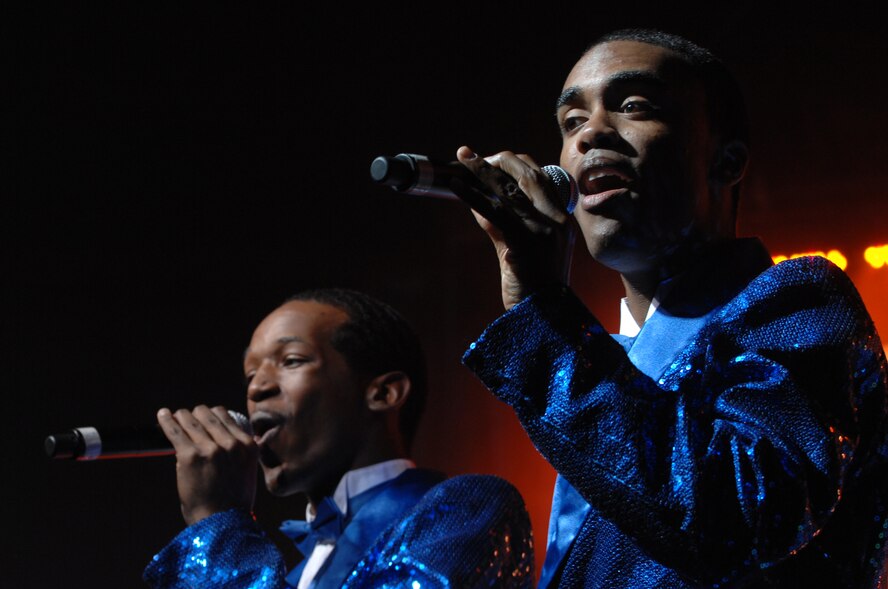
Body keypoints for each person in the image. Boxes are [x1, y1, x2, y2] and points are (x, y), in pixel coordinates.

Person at [449, 29, 888, 588]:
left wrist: (545, 317)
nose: (591, 133)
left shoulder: (801, 299)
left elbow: (738, 515)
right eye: (572, 121)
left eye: (634, 106)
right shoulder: (602, 356)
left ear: (727, 161)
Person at [142, 287, 535, 588]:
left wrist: (218, 524)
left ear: (384, 393)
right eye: (250, 375)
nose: (257, 388)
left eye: (291, 360)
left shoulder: (468, 511)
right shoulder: (296, 574)